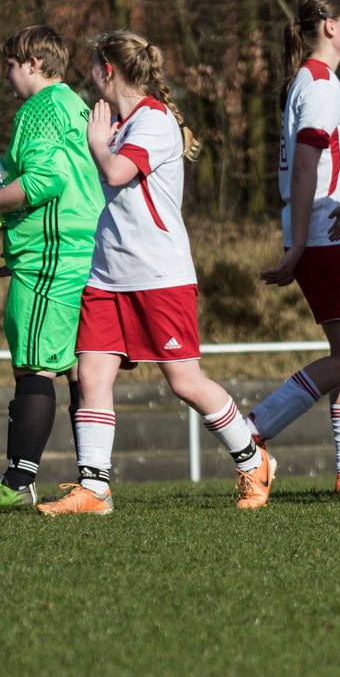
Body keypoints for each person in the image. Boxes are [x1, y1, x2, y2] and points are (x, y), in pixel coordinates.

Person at [36, 31, 274, 514]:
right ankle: (95, 488)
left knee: (184, 382)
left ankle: (252, 460)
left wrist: (98, 143)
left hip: (159, 276)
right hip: (107, 274)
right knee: (91, 372)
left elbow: (119, 172)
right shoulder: (122, 120)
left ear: (108, 69)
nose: (88, 76)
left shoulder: (155, 119)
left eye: (92, 66)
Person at [252, 0, 340, 492]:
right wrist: (301, 242)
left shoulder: (311, 81)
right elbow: (306, 164)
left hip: (332, 235)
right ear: (329, 26)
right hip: (327, 236)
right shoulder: (320, 84)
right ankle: (254, 429)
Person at [0, 26, 104, 509]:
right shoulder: (74, 105)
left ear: (34, 65)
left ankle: (18, 482)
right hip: (83, 249)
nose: (7, 75)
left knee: (35, 365)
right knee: (82, 371)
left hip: (47, 255)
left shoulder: (39, 108)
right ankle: (91, 481)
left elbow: (45, 179)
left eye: (11, 64)